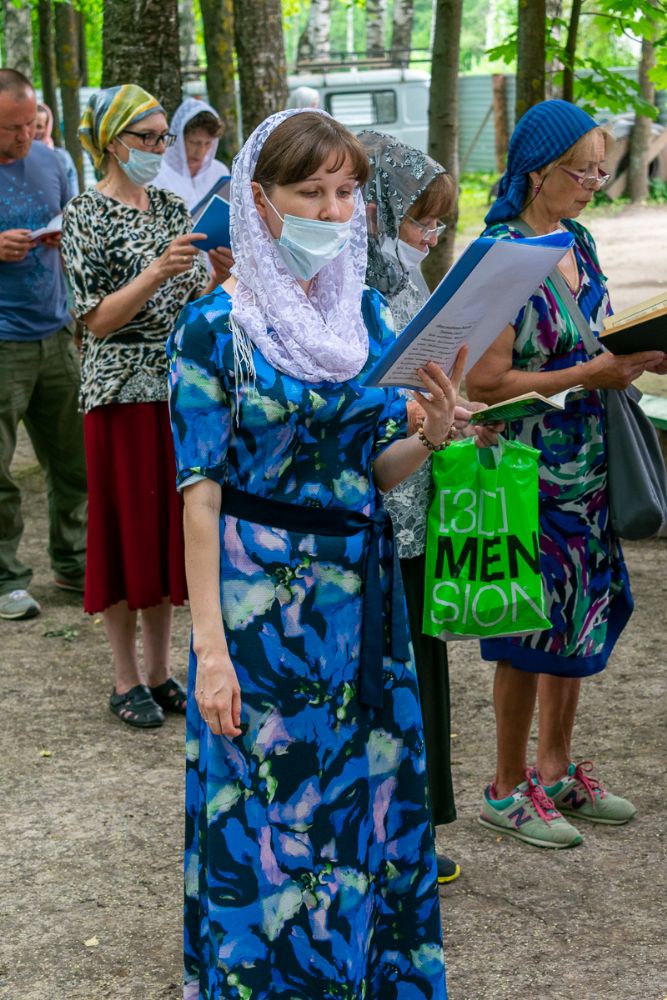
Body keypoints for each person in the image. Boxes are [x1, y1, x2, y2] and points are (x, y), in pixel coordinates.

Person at [167, 108, 462, 998]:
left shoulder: (363, 315)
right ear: (258, 200)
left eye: (345, 192)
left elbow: (373, 469)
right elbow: (199, 495)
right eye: (310, 192)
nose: (334, 212)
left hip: (362, 607)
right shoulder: (214, 328)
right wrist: (210, 652)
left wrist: (431, 435)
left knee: (362, 807)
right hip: (262, 614)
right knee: (270, 820)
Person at [466, 98, 667, 848]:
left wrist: (637, 355)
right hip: (525, 469)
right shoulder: (497, 255)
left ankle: (553, 772)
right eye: (581, 171)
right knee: (526, 626)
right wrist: (591, 373)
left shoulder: (577, 239)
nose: (593, 184)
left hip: (587, 466)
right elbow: (485, 383)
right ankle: (504, 787)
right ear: (535, 171)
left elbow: (594, 336)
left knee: (576, 617)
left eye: (599, 170)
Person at [61, 84, 230, 730]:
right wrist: (157, 270)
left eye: (165, 137)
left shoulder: (169, 205)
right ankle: (124, 677)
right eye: (149, 138)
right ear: (112, 142)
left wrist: (215, 272)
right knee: (122, 529)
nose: (160, 148)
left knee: (165, 533)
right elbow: (97, 319)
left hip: (175, 387)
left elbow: (192, 298)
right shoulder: (84, 213)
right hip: (117, 392)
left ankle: (159, 672)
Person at [359, 128, 498, 885]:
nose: (431, 234)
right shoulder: (354, 289)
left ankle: (417, 826)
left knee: (422, 670)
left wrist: (450, 415)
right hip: (379, 514)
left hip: (420, 504)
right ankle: (388, 832)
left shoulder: (407, 282)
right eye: (420, 218)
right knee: (388, 675)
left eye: (442, 221)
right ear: (381, 209)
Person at [0, 67, 87, 621]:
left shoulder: (53, 162)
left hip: (55, 332)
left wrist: (64, 235)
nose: (24, 136)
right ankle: (6, 578)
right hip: (2, 343)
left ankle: (74, 562)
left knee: (74, 461)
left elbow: (77, 227)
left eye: (30, 124)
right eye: (12, 128)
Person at [153, 97, 229, 212]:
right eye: (194, 143)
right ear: (179, 139)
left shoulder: (219, 171)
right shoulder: (157, 173)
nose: (201, 151)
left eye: (208, 143)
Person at [34, 102, 79, 200]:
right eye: (30, 125)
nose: (34, 131)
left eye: (39, 127)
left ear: (47, 128)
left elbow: (73, 198)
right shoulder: (13, 157)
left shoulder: (62, 158)